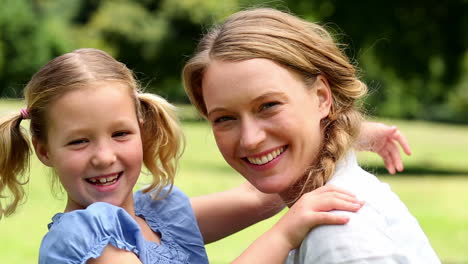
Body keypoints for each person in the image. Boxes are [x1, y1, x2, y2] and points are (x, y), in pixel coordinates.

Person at [0, 48, 366, 264]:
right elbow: (278, 211)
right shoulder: (87, 237)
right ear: (44, 149)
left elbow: (263, 194)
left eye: (120, 134)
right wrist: (285, 235)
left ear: (142, 130)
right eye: (79, 142)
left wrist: (341, 132)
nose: (103, 156)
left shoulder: (158, 214)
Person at [183, 8, 441, 263]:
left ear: (321, 97)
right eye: (225, 118)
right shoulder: (321, 209)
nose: (250, 139)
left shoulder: (339, 235)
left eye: (269, 105)